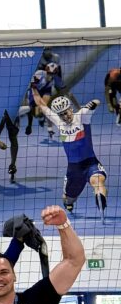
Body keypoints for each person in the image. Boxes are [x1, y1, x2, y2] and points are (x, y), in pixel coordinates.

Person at [30, 87, 108, 219]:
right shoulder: (59, 122)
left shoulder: (82, 116)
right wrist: (33, 87)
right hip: (74, 169)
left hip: (90, 163)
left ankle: (100, 199)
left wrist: (93, 103)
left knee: (98, 181)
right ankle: (69, 202)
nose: (65, 117)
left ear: (71, 108)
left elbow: (96, 101)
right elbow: (41, 104)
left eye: (66, 113)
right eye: (61, 115)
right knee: (68, 199)